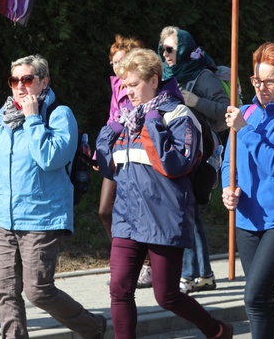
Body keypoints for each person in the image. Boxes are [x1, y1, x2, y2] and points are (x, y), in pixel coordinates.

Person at [95, 48, 232, 339]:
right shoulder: (126, 119)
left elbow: (177, 164)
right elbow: (108, 168)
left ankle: (217, 330)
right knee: (119, 289)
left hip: (164, 218)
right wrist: (110, 133)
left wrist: (153, 123)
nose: (127, 92)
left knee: (166, 295)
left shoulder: (178, 114)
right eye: (124, 86)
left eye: (133, 85)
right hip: (127, 218)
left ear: (154, 80)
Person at [0, 55, 107, 338]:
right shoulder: (3, 117)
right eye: (15, 81)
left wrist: (33, 119)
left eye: (27, 80)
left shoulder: (59, 115)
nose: (20, 87)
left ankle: (93, 327)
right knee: (5, 291)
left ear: (43, 82)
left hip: (42, 217)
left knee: (38, 290)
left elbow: (50, 158)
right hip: (5, 218)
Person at [221, 42, 274, 338]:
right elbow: (228, 163)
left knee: (254, 296)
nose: (262, 87)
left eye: (270, 81)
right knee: (265, 301)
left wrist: (245, 129)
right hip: (246, 219)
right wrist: (227, 189)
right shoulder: (244, 112)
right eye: (257, 80)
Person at [158, 26, 229, 294]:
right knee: (190, 213)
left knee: (184, 211)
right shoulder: (165, 76)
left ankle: (187, 275)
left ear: (185, 49)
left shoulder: (202, 76)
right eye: (162, 49)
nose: (165, 54)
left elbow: (226, 111)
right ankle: (205, 274)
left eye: (170, 49)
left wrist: (196, 101)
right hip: (175, 149)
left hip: (200, 153)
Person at [99, 35, 148, 285]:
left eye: (121, 61)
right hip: (117, 154)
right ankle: (130, 263)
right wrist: (102, 153)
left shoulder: (138, 87)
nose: (117, 67)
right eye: (113, 62)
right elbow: (112, 121)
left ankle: (143, 265)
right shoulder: (115, 87)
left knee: (139, 212)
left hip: (137, 157)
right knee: (105, 209)